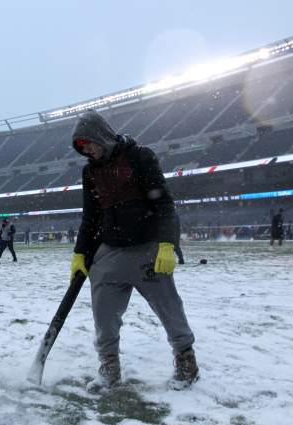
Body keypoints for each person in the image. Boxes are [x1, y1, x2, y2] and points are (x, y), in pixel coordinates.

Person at [68, 110, 197, 391]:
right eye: (81, 148)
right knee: (103, 316)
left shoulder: (140, 157)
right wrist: (80, 253)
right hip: (109, 254)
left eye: (88, 143)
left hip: (147, 249)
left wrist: (166, 244)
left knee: (169, 309)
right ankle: (109, 369)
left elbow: (164, 203)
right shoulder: (90, 171)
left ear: (101, 135)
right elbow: (90, 217)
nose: (87, 150)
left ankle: (186, 361)